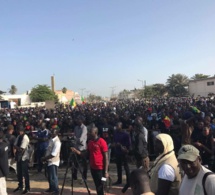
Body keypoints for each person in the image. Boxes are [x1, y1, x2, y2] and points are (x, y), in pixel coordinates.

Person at [71, 126, 109, 195]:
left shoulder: (102, 142)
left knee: (101, 185)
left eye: (90, 132)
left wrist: (106, 172)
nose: (88, 133)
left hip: (101, 169)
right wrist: (76, 151)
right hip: (93, 168)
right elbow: (85, 154)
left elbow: (106, 157)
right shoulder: (90, 142)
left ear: (95, 132)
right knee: (97, 185)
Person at [42, 128, 61, 195]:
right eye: (51, 132)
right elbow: (48, 149)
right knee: (49, 176)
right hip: (48, 160)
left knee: (53, 177)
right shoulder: (51, 139)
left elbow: (53, 154)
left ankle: (56, 190)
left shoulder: (57, 142)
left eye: (53, 133)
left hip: (53, 161)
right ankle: (51, 188)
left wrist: (44, 158)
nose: (51, 133)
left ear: (56, 134)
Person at [13, 125, 30, 194]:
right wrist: (17, 147)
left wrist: (17, 147)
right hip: (19, 157)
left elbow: (21, 149)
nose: (19, 132)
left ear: (23, 131)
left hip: (24, 158)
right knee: (19, 173)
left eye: (21, 131)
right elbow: (14, 145)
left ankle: (27, 188)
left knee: (25, 173)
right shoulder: (19, 136)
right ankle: (20, 186)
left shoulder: (25, 138)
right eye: (19, 130)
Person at [73, 116, 88, 182]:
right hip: (76, 148)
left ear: (82, 120)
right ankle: (74, 177)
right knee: (75, 163)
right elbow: (74, 136)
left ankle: (84, 177)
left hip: (82, 148)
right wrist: (76, 139)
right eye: (76, 119)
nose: (77, 121)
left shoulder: (84, 128)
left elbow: (81, 139)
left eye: (78, 120)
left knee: (84, 164)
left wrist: (75, 139)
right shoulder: (76, 127)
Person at [0, 130, 9, 195]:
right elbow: (3, 162)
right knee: (2, 191)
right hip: (0, 174)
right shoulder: (3, 146)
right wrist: (6, 172)